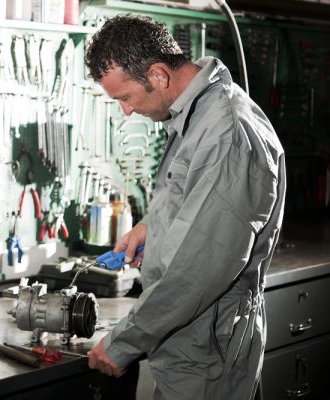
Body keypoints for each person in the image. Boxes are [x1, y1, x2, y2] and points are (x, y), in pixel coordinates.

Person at [84, 14, 286, 400]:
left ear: (158, 75)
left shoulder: (225, 131)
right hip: (187, 340)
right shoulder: (196, 116)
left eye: (125, 98)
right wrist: (152, 227)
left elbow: (200, 269)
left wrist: (124, 341)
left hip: (208, 343)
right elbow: (194, 198)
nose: (125, 111)